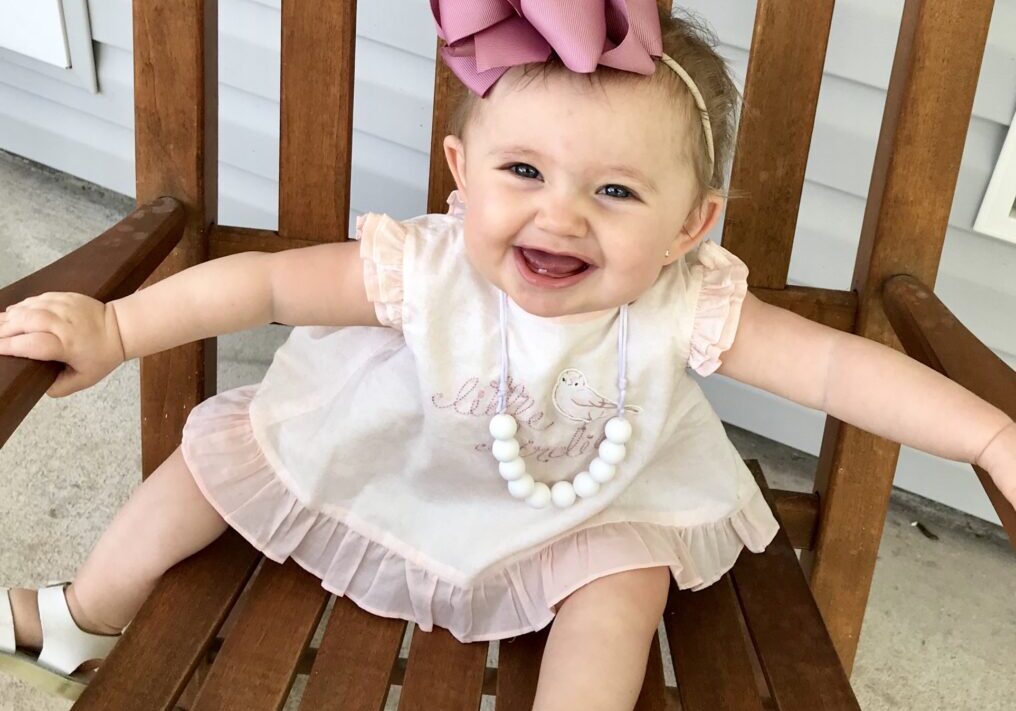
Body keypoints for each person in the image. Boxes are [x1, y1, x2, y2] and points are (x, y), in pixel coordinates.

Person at [1, 1, 1014, 709]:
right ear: (460, 173)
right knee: (217, 464)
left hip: (583, 508)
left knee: (622, 592)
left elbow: (838, 369)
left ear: (688, 226)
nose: (558, 214)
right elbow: (263, 284)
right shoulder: (423, 268)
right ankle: (88, 610)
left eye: (615, 192)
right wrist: (118, 329)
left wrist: (985, 433)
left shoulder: (687, 302)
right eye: (521, 169)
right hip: (382, 451)